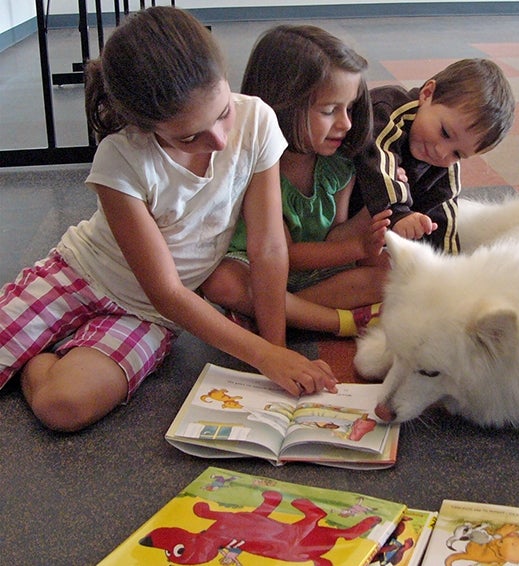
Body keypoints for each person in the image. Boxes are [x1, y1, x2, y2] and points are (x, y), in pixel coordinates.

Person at [0, 7, 336, 433]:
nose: (218, 140)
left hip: (148, 316)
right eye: (189, 136)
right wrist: (264, 357)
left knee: (62, 407)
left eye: (221, 113)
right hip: (81, 276)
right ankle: (46, 333)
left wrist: (276, 348)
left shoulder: (257, 122)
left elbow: (268, 248)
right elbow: (167, 289)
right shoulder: (121, 158)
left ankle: (40, 356)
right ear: (145, 126)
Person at [201, 25, 391, 338]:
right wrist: (355, 248)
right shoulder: (259, 167)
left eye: (351, 108)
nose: (346, 123)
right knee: (221, 282)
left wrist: (376, 209)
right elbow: (281, 254)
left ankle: (274, 314)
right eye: (330, 110)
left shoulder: (339, 165)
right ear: (283, 104)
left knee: (388, 276)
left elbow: (334, 233)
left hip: (318, 270)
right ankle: (334, 321)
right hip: (257, 266)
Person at [350, 59, 515, 253]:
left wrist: (446, 263)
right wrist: (399, 212)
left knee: (388, 269)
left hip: (369, 218)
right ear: (427, 94)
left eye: (458, 154)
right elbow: (375, 153)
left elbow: (444, 211)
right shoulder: (387, 109)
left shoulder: (445, 162)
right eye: (445, 132)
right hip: (330, 203)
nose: (442, 151)